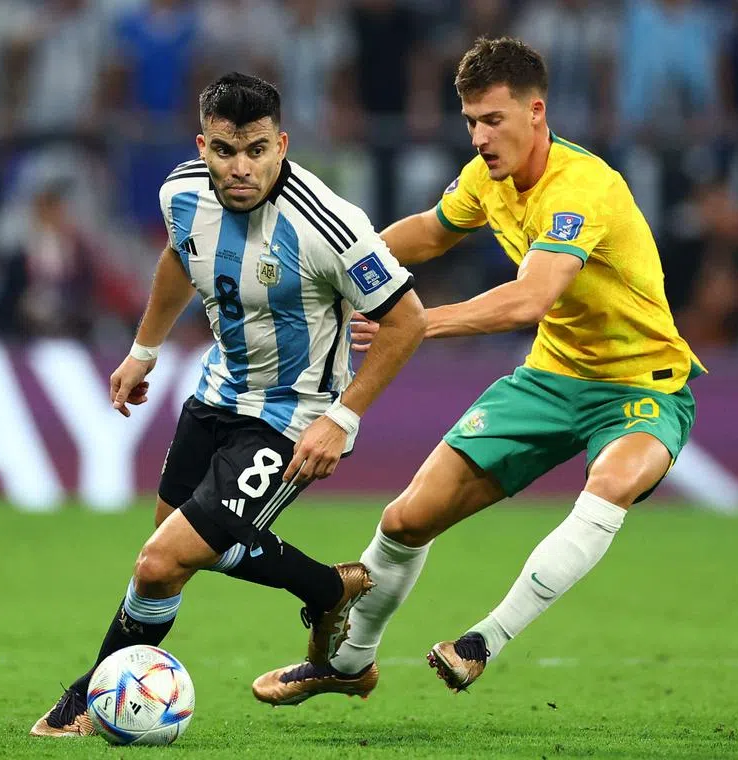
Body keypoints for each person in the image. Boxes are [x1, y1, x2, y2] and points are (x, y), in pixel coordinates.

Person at [252, 36, 704, 704]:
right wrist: (340, 264)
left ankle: (482, 640)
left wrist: (416, 322)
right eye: (470, 122)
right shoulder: (486, 178)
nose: (480, 138)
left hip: (645, 387)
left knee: (609, 484)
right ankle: (347, 664)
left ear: (536, 112)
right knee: (406, 520)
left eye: (493, 120)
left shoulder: (582, 189)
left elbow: (529, 299)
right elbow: (431, 232)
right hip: (550, 379)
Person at [30, 72, 426, 736]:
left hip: (293, 417)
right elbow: (178, 258)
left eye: (256, 150)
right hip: (216, 395)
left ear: (281, 145)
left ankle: (90, 700)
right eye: (224, 150)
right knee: (166, 562)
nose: (240, 168)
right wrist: (144, 350)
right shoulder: (182, 194)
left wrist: (342, 417)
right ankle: (329, 587)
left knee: (160, 560)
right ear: (202, 146)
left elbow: (407, 321)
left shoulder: (330, 225)